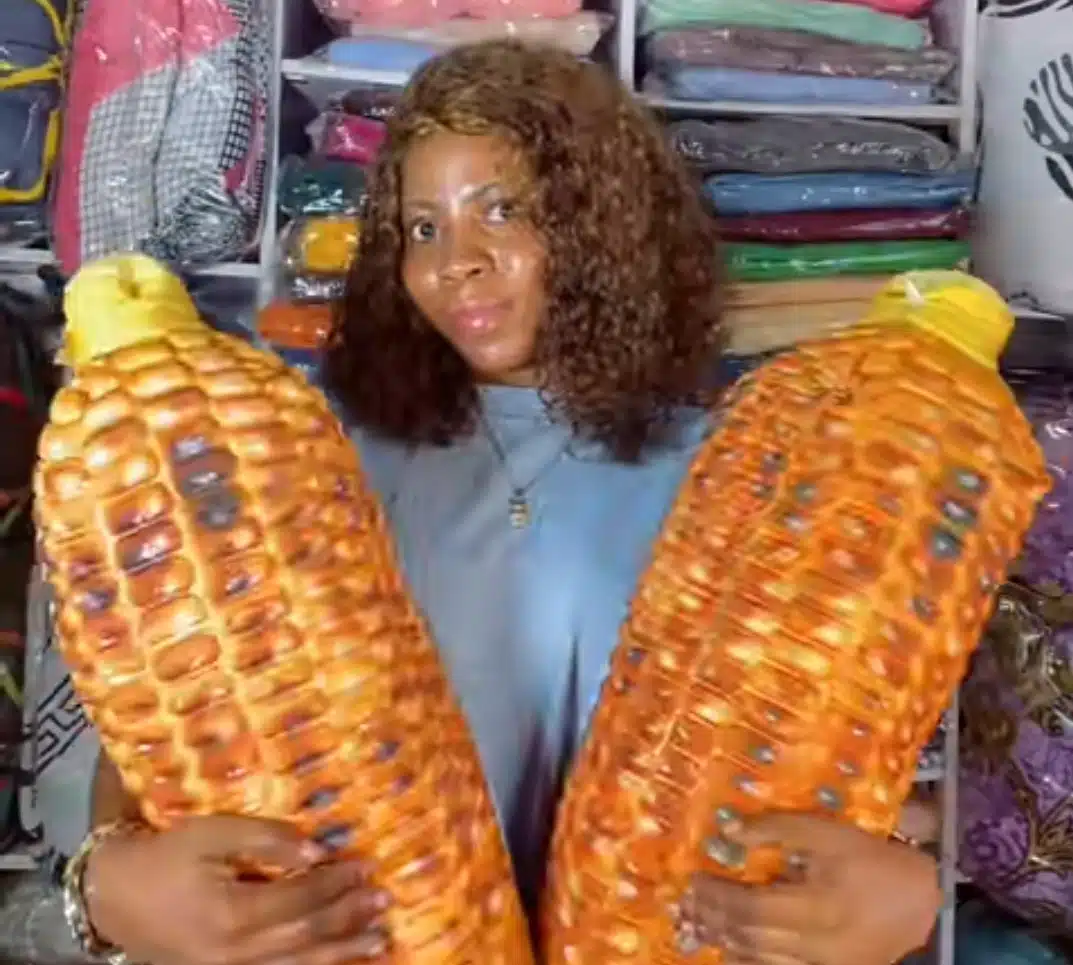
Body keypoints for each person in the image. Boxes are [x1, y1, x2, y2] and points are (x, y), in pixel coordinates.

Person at [70, 39, 941, 965]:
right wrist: (105, 882)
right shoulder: (311, 457)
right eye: (423, 228)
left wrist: (906, 880)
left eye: (502, 210)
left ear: (598, 221)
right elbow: (170, 730)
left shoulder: (741, 470)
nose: (457, 262)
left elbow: (836, 744)